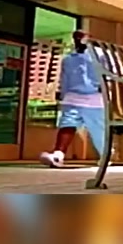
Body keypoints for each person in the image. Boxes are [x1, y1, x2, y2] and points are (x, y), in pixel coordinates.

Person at [39, 30, 106, 168]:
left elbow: (112, 71)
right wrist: (63, 94)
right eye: (76, 38)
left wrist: (106, 86)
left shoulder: (101, 55)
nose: (79, 40)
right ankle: (58, 155)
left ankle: (105, 155)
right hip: (73, 97)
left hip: (94, 97)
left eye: (82, 37)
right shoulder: (68, 59)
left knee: (98, 130)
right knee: (67, 124)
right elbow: (65, 78)